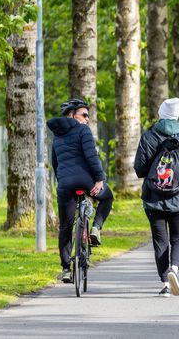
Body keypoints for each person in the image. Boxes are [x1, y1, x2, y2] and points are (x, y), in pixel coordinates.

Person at [134, 98, 179, 298]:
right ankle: (174, 270)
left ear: (161, 114)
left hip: (154, 197)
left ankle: (165, 284)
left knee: (160, 240)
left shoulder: (149, 136)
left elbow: (140, 168)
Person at [48, 98, 113, 284]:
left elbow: (55, 163)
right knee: (107, 197)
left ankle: (66, 269)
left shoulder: (57, 135)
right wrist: (100, 179)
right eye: (84, 115)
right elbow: (91, 156)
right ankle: (95, 228)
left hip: (65, 184)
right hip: (86, 182)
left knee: (65, 227)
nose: (87, 119)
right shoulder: (83, 130)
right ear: (72, 115)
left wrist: (62, 182)